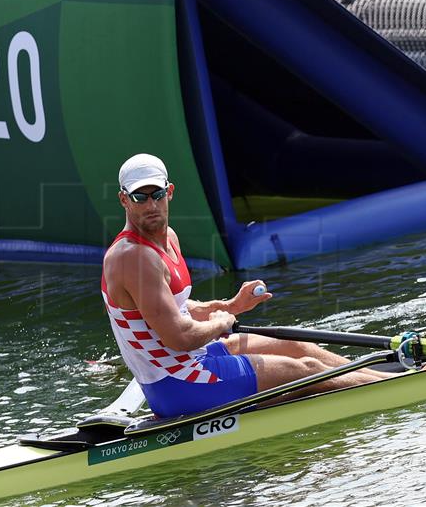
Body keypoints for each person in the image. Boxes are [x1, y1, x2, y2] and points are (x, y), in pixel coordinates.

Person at [102, 153, 390, 418]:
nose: (151, 205)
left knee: (293, 344)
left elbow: (174, 307)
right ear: (124, 200)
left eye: (158, 195)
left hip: (195, 361)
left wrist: (228, 306)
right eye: (140, 197)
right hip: (180, 384)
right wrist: (221, 322)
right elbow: (179, 337)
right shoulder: (133, 258)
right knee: (307, 370)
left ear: (170, 192)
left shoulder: (168, 239)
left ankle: (383, 378)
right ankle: (396, 388)